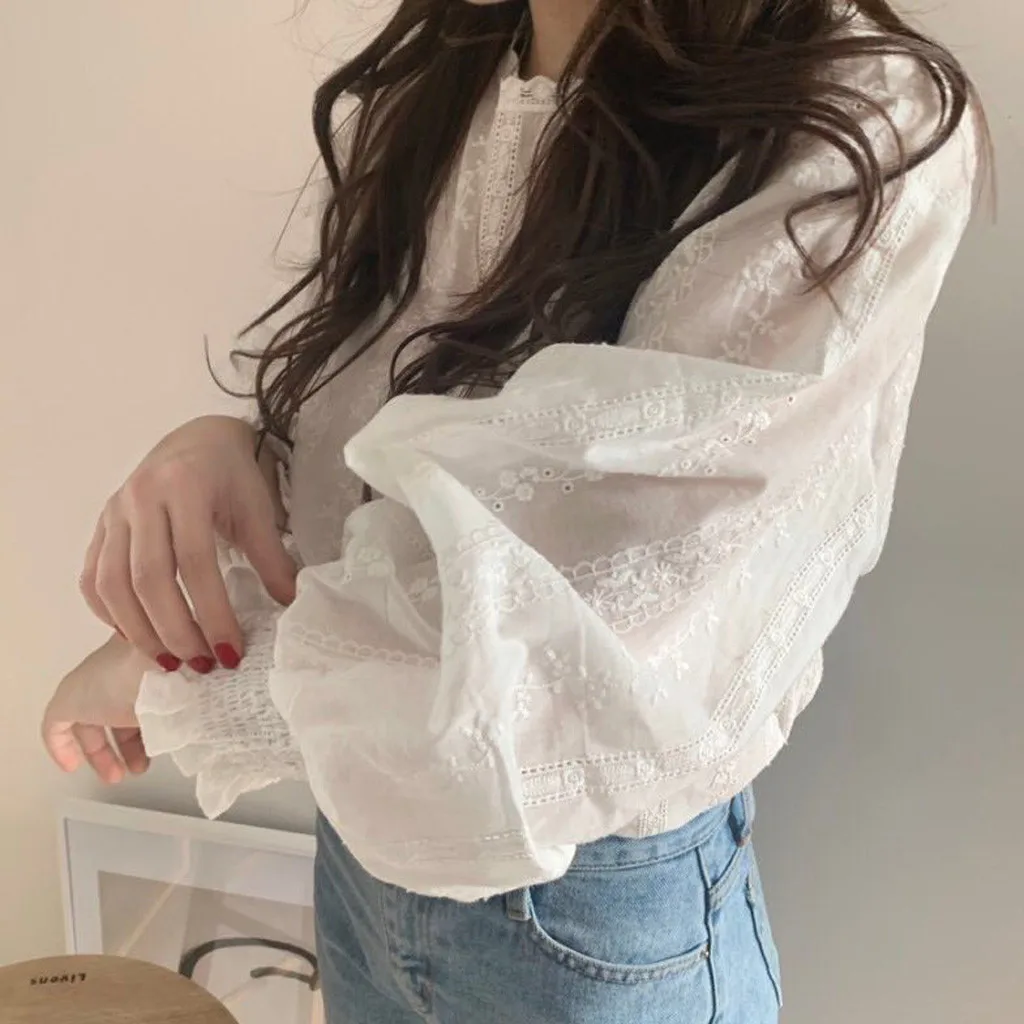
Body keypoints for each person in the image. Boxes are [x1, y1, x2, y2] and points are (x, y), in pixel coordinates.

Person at [42, 1, 983, 1021]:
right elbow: (428, 439)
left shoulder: (856, 116)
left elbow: (583, 630)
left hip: (584, 917)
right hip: (366, 856)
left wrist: (174, 687)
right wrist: (246, 450)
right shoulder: (458, 54)